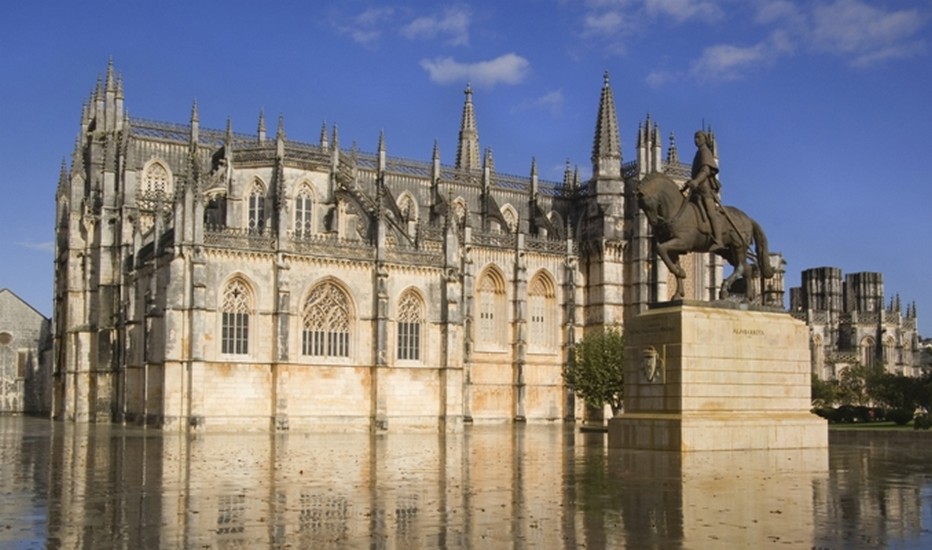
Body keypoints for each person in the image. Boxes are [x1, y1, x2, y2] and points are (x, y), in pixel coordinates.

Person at [681, 130, 724, 251]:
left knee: (711, 212)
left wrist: (696, 181)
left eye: (699, 137)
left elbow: (705, 170)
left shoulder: (705, 152)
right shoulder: (699, 153)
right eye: (695, 138)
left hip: (705, 190)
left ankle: (719, 239)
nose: (696, 140)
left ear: (705, 139)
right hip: (696, 190)